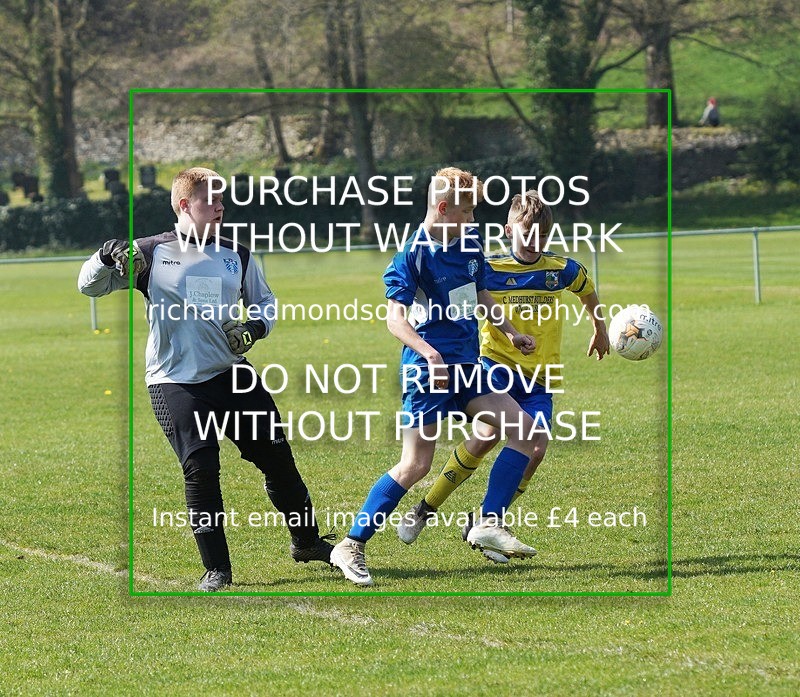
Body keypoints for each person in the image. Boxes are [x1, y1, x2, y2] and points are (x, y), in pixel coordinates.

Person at [78, 167, 334, 592]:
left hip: (232, 375)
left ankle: (306, 543)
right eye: (209, 200)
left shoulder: (238, 253)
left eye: (221, 201)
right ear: (183, 205)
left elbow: (266, 302)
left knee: (279, 462)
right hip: (175, 381)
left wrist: (255, 327)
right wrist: (103, 257)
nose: (219, 208)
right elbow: (91, 288)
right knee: (201, 469)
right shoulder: (149, 253)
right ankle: (217, 569)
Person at [330, 167, 541, 587]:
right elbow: (395, 320)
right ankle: (351, 543)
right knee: (415, 464)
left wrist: (511, 332)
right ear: (443, 208)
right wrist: (429, 354)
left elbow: (480, 294)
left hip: (468, 368)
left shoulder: (469, 244)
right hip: (426, 373)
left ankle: (488, 523)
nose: (472, 219)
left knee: (529, 433)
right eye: (465, 211)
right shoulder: (412, 254)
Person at [396, 189, 610, 563]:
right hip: (495, 367)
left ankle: (486, 521)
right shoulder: (488, 265)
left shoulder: (560, 269)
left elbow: (587, 289)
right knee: (484, 440)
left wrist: (599, 326)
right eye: (527, 234)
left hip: (540, 378)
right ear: (509, 231)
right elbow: (463, 293)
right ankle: (426, 509)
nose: (534, 243)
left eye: (541, 237)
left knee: (536, 449)